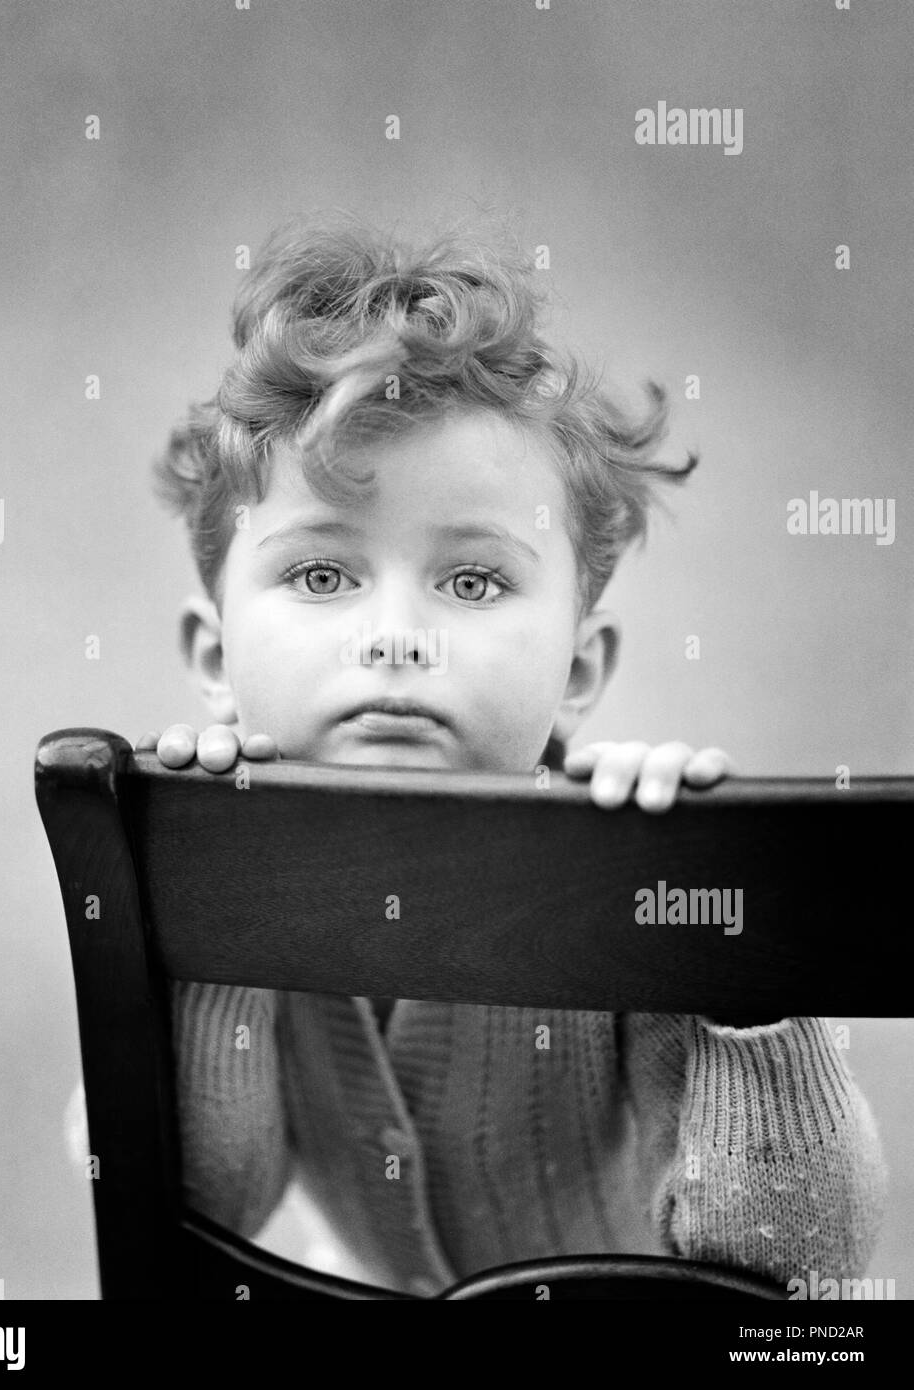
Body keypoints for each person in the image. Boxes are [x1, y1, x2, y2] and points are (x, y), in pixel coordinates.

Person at [74, 212, 886, 1296]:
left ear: (579, 667)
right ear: (211, 652)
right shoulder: (203, 859)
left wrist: (726, 942)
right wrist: (207, 899)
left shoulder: (636, 875)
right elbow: (207, 1206)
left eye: (471, 581)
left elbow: (803, 1271)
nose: (396, 636)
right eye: (322, 576)